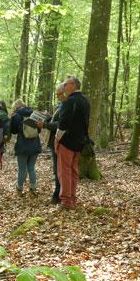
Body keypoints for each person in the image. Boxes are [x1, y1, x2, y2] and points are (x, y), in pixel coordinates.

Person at [55, 76, 90, 209]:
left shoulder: (70, 101)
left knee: (64, 171)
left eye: (66, 84)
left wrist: (57, 139)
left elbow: (62, 124)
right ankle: (72, 197)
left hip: (67, 142)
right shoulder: (85, 100)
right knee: (73, 171)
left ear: (74, 85)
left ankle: (66, 201)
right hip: (79, 142)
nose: (64, 86)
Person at [37, 83, 67, 204]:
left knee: (60, 170)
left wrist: (44, 125)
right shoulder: (60, 106)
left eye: (59, 94)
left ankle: (59, 195)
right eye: (57, 95)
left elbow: (60, 125)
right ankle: (58, 194)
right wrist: (49, 117)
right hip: (54, 142)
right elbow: (57, 121)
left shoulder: (66, 107)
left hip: (60, 142)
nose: (58, 97)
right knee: (57, 170)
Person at [10, 99, 42, 195]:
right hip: (35, 144)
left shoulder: (16, 116)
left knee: (22, 168)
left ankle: (19, 188)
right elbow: (39, 130)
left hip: (22, 145)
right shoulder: (34, 114)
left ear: (16, 107)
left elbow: (13, 131)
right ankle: (32, 187)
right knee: (31, 167)